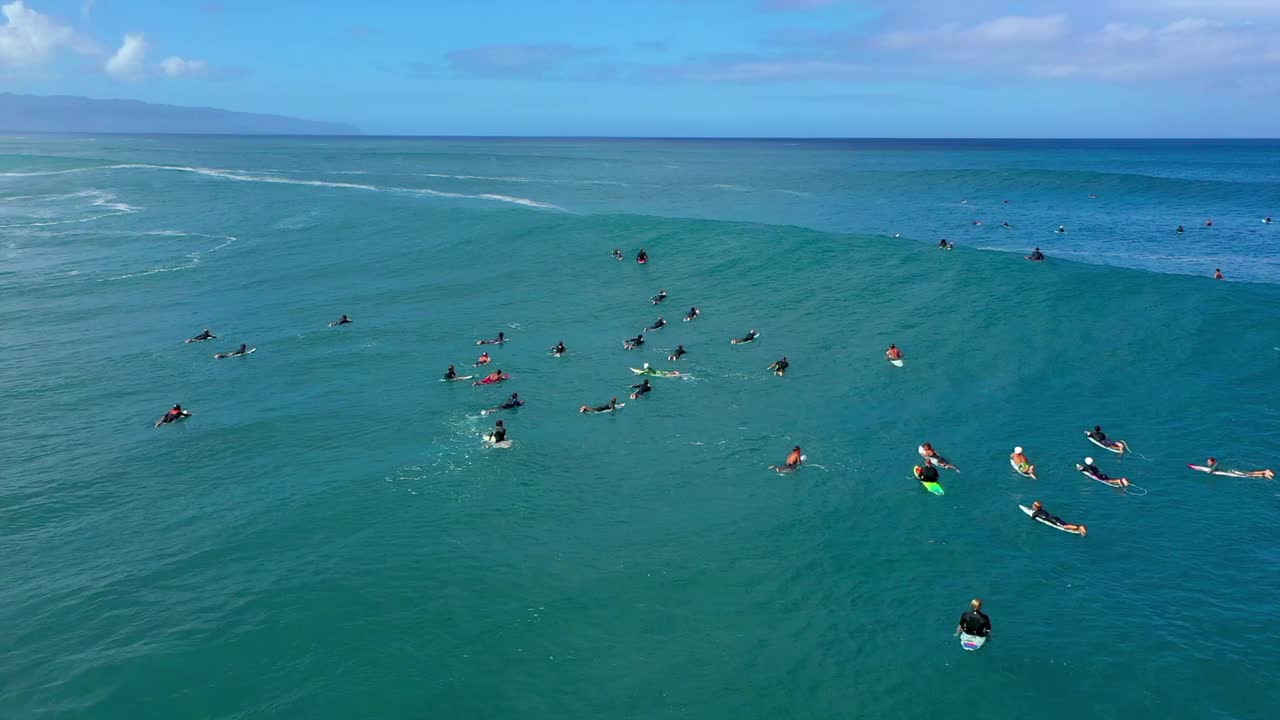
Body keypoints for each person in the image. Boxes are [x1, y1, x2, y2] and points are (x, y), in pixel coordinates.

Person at [1205, 457, 1275, 479]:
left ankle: (1265, 473)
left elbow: (1210, 471)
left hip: (1234, 471)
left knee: (1247, 474)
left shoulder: (1216, 464)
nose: (1208, 463)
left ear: (1213, 461)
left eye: (1209, 462)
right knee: (1249, 473)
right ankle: (1265, 472)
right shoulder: (1217, 463)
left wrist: (1208, 471)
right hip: (1233, 470)